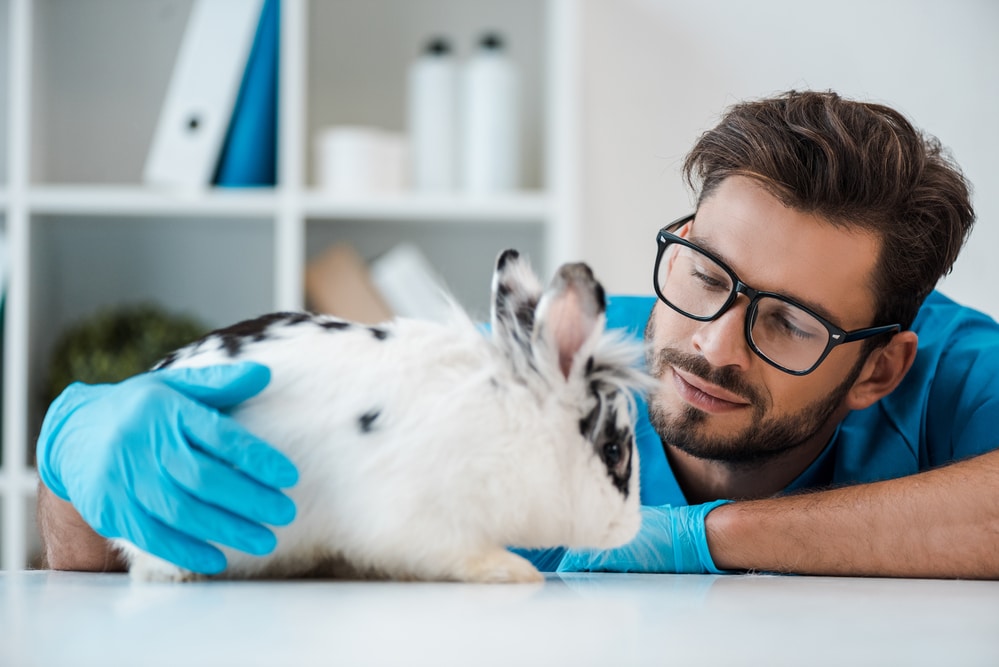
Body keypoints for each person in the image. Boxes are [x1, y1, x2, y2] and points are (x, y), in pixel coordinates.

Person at [35, 90, 999, 579]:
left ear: (878, 367)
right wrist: (76, 441)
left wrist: (702, 541)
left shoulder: (946, 375)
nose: (713, 345)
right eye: (705, 274)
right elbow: (89, 567)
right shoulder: (543, 371)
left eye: (787, 321)